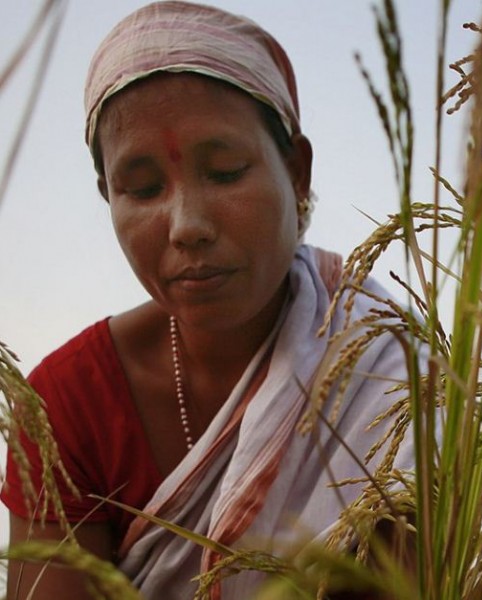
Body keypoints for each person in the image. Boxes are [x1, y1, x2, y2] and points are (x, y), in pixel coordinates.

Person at [1, 2, 417, 598]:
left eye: (224, 172)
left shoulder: (388, 370)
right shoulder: (67, 406)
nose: (186, 225)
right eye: (142, 189)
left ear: (297, 173)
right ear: (107, 197)